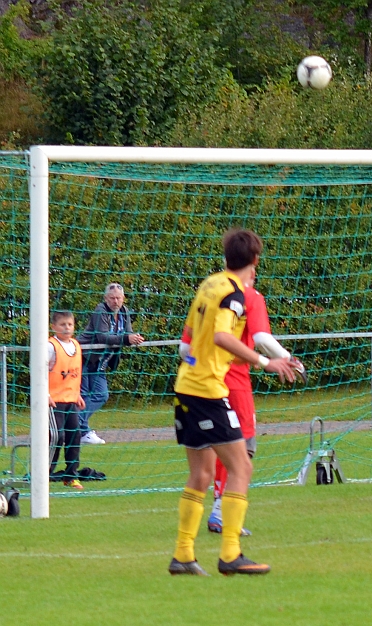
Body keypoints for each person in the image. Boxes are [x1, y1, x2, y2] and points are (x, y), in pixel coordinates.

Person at [168, 228, 300, 577]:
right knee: (242, 468)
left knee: (202, 473)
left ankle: (183, 555)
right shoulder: (235, 294)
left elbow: (194, 339)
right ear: (255, 261)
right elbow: (222, 336)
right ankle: (230, 553)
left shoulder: (209, 284)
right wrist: (265, 361)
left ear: (227, 258)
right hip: (208, 391)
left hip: (186, 385)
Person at [178, 270, 304, 536]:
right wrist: (284, 359)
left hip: (193, 385)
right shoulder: (249, 295)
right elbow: (260, 339)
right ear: (253, 266)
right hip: (232, 383)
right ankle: (223, 522)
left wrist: (196, 364)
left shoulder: (208, 289)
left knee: (204, 465)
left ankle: (187, 550)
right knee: (243, 452)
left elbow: (184, 351)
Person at [78, 282, 145, 445]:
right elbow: (103, 336)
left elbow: (127, 332)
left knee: (101, 394)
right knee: (83, 395)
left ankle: (77, 427)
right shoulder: (100, 310)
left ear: (123, 299)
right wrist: (126, 339)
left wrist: (133, 337)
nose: (116, 301)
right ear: (106, 298)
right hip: (84, 356)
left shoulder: (124, 311)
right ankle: (80, 430)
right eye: (112, 298)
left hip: (101, 360)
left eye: (119, 298)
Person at [47, 311, 86, 490]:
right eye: (63, 324)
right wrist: (44, 395)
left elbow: (74, 374)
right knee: (56, 436)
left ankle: (71, 475)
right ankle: (45, 473)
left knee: (74, 435)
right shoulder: (50, 346)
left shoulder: (76, 346)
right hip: (53, 401)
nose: (67, 328)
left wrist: (77, 395)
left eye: (69, 324)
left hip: (70, 400)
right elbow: (40, 371)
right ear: (54, 327)